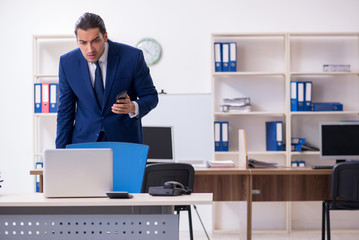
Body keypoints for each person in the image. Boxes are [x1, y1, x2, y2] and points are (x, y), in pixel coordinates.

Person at [55, 12, 158, 148]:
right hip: (84, 142)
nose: (89, 49)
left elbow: (151, 97)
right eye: (83, 43)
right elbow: (65, 112)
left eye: (95, 41)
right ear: (77, 41)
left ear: (105, 36)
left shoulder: (132, 57)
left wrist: (133, 107)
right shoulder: (67, 63)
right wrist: (60, 154)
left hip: (124, 142)